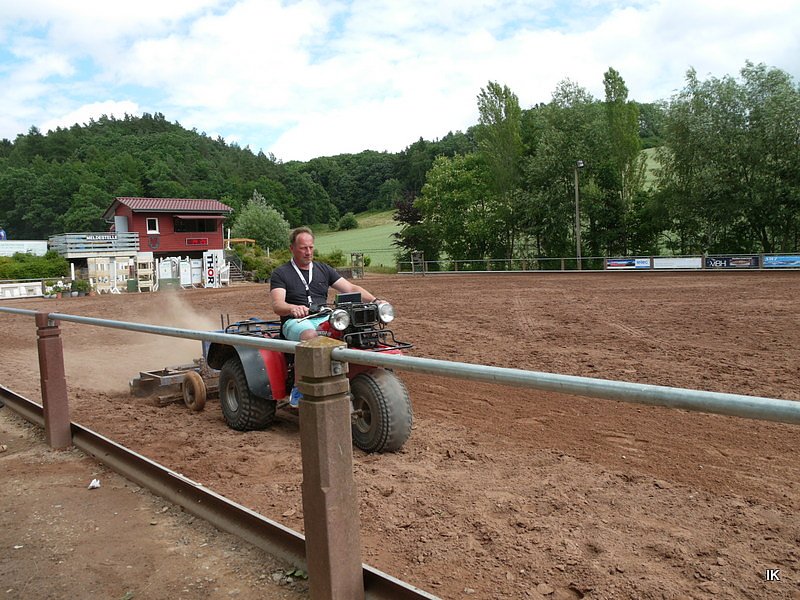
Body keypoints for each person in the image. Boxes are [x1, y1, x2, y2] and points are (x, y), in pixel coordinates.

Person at [269, 226, 384, 407]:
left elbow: (351, 289)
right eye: (303, 248)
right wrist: (293, 308)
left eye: (311, 247)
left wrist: (376, 301)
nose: (308, 252)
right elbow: (277, 305)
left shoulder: (323, 269)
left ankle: (355, 377)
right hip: (296, 321)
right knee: (309, 336)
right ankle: (300, 386)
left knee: (353, 330)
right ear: (292, 248)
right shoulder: (281, 273)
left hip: (324, 316)